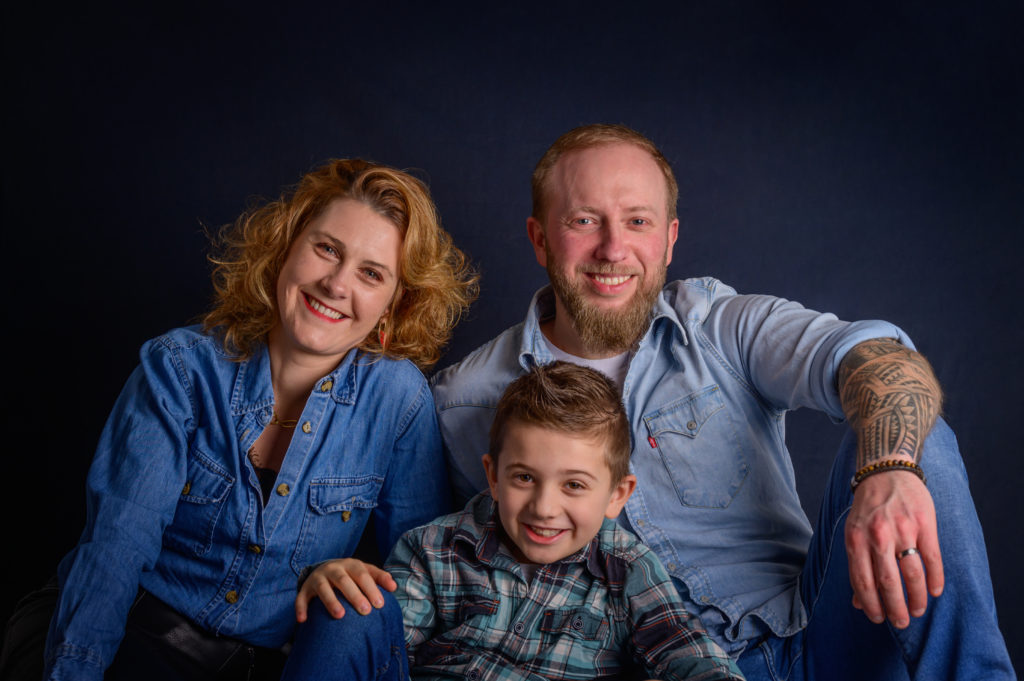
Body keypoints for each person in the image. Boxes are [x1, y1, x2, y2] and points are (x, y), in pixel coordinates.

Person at [430, 124, 1016, 680]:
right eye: (585, 220)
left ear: (669, 239)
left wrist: (888, 472)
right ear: (539, 238)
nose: (614, 248)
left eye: (638, 221)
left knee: (913, 431)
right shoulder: (464, 403)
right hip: (645, 667)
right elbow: (446, 577)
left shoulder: (720, 327)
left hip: (812, 644)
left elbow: (879, 358)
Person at [36, 158, 479, 680]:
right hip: (152, 635)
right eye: (327, 249)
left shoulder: (399, 399)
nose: (337, 284)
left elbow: (416, 571)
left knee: (363, 607)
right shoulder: (181, 369)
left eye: (371, 273)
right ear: (286, 248)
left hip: (285, 664)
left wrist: (334, 571)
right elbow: (115, 546)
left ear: (391, 304)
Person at [287, 361, 745, 680]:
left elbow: (688, 653)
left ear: (616, 495)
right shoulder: (435, 548)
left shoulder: (628, 572)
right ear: (493, 475)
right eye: (524, 477)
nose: (544, 508)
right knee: (349, 602)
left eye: (574, 485)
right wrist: (335, 580)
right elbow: (382, 648)